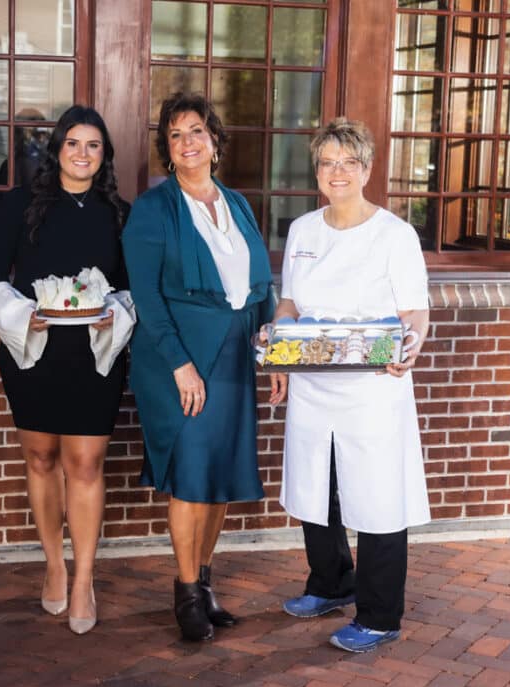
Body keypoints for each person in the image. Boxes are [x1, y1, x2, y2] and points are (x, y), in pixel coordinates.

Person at [268, 117, 430, 653]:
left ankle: (380, 615)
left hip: (373, 389)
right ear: (317, 170)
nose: (337, 172)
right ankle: (331, 582)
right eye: (327, 162)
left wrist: (409, 350)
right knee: (319, 484)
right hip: (315, 383)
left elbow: (415, 313)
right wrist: (280, 345)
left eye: (348, 162)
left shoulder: (394, 234)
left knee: (378, 496)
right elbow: (290, 301)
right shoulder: (303, 231)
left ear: (366, 169)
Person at [122, 93, 274, 642]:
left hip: (236, 354)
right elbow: (148, 297)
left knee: (220, 475)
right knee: (190, 475)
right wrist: (181, 365)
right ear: (167, 149)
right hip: (177, 358)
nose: (188, 142)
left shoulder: (238, 204)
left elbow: (261, 286)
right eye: (176, 135)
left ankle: (206, 584)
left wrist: (271, 351)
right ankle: (185, 590)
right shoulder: (153, 209)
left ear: (214, 140)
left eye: (197, 131)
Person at [0, 105, 129, 635]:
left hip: (94, 355)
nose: (83, 154)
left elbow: (130, 286)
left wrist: (118, 311)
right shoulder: (20, 204)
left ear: (104, 156)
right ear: (57, 148)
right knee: (41, 458)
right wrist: (24, 317)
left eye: (94, 146)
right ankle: (54, 564)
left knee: (84, 463)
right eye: (73, 144)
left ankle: (85, 576)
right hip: (32, 352)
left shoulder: (119, 213)